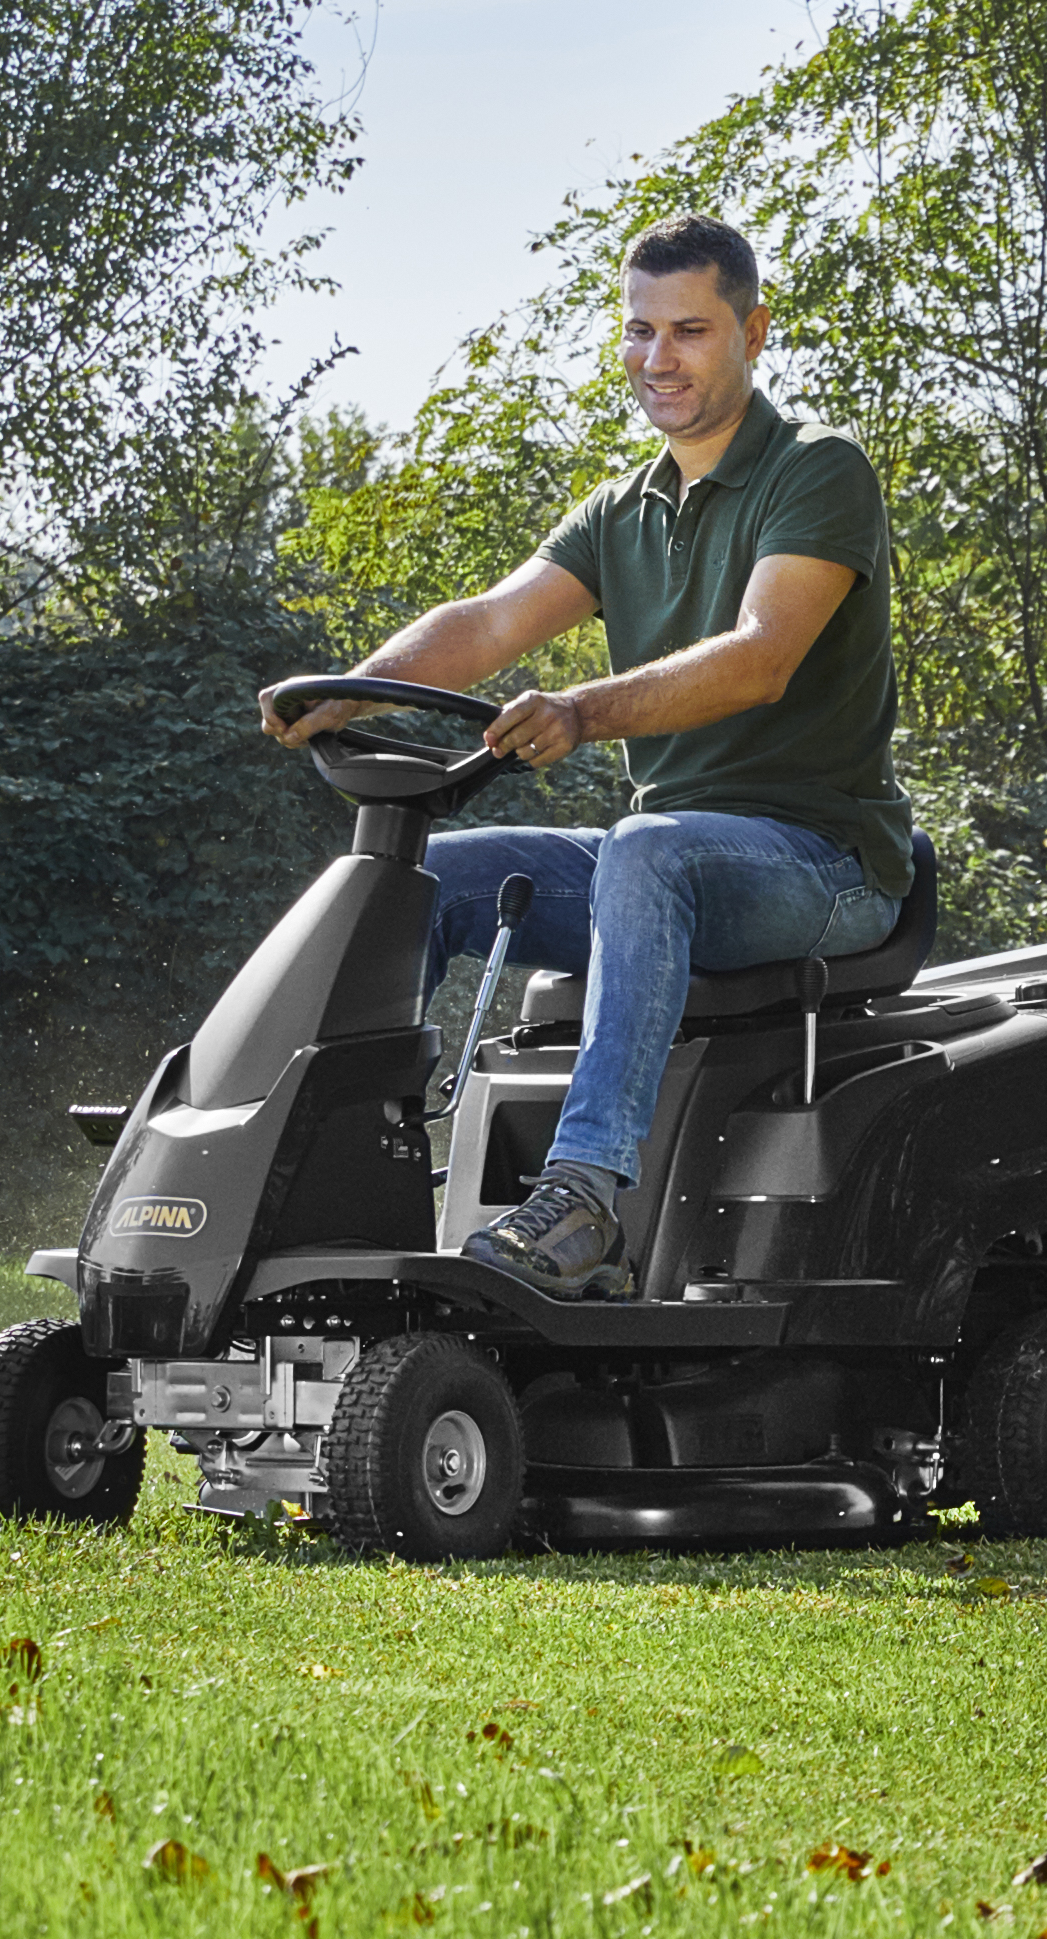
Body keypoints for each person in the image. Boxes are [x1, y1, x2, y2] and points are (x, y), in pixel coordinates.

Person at [295, 215, 912, 1298]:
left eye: (689, 331)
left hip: (826, 864)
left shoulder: (817, 470)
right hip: (669, 863)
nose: (657, 359)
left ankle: (586, 1199)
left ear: (753, 331)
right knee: (425, 881)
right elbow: (487, 623)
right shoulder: (622, 510)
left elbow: (762, 658)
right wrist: (346, 689)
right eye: (638, 332)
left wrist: (581, 710)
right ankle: (317, 1164)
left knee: (645, 846)